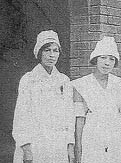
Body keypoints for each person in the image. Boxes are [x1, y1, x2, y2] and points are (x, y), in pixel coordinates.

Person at [72, 36, 121, 163]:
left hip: (117, 136)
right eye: (103, 58)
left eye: (111, 59)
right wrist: (79, 147)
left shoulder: (120, 84)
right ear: (96, 59)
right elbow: (79, 120)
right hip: (92, 135)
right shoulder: (80, 84)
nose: (107, 63)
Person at [12, 30, 75, 163]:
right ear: (39, 52)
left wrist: (70, 145)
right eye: (47, 50)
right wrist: (26, 148)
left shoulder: (64, 81)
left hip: (58, 145)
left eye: (55, 50)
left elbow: (69, 116)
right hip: (35, 144)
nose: (52, 55)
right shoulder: (28, 79)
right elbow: (21, 116)